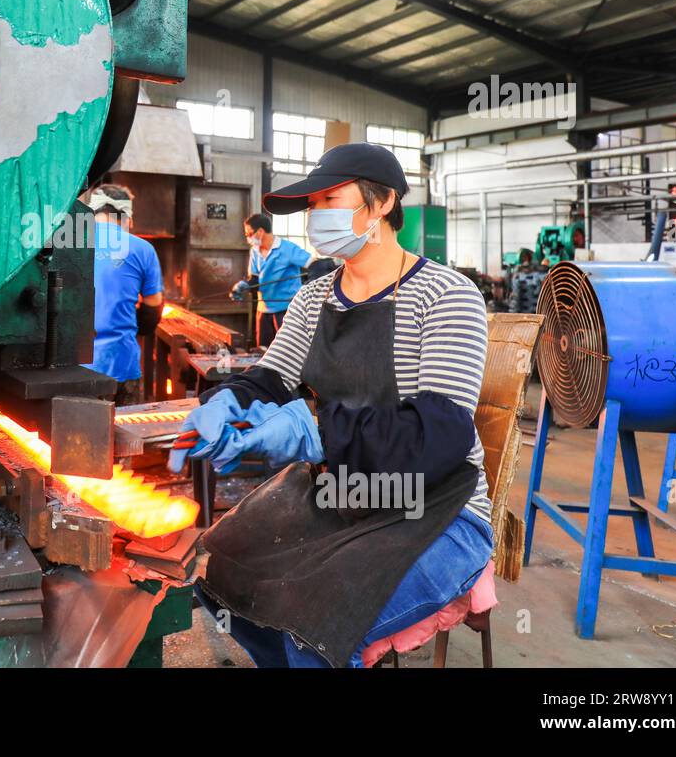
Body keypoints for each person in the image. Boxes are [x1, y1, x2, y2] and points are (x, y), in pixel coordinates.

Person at [170, 143, 493, 668]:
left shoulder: (446, 294)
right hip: (340, 491)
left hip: (436, 507)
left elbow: (441, 435)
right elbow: (272, 378)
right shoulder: (312, 297)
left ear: (383, 201)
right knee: (224, 571)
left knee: (311, 623)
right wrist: (226, 401)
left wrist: (317, 430)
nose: (318, 216)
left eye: (330, 199)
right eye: (312, 205)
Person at [82, 184, 163, 406]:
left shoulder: (70, 243)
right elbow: (153, 306)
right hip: (122, 362)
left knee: (78, 438)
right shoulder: (143, 248)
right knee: (124, 436)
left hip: (76, 369)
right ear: (126, 215)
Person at [231, 213, 311, 348]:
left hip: (286, 310)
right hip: (264, 310)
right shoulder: (255, 251)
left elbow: (312, 264)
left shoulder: (287, 248)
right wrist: (243, 286)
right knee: (263, 349)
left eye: (249, 234)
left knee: (287, 350)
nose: (248, 238)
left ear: (260, 232)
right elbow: (255, 279)